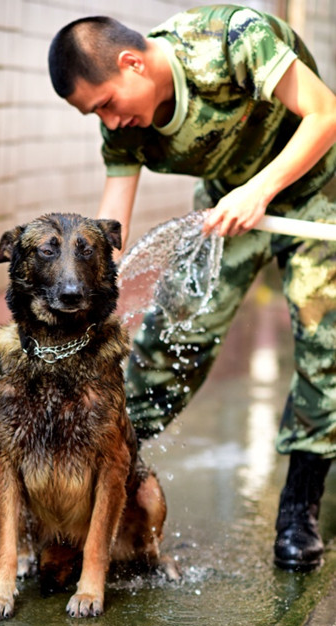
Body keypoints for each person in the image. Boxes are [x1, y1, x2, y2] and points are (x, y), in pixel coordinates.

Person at [48, 6, 336, 572]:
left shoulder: (232, 40)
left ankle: (300, 506)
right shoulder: (126, 133)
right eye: (94, 115)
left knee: (324, 344)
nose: (107, 122)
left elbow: (325, 113)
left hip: (316, 193)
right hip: (229, 208)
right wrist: (74, 298)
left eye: (106, 104)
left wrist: (261, 190)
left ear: (132, 63)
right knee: (175, 333)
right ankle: (97, 475)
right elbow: (112, 237)